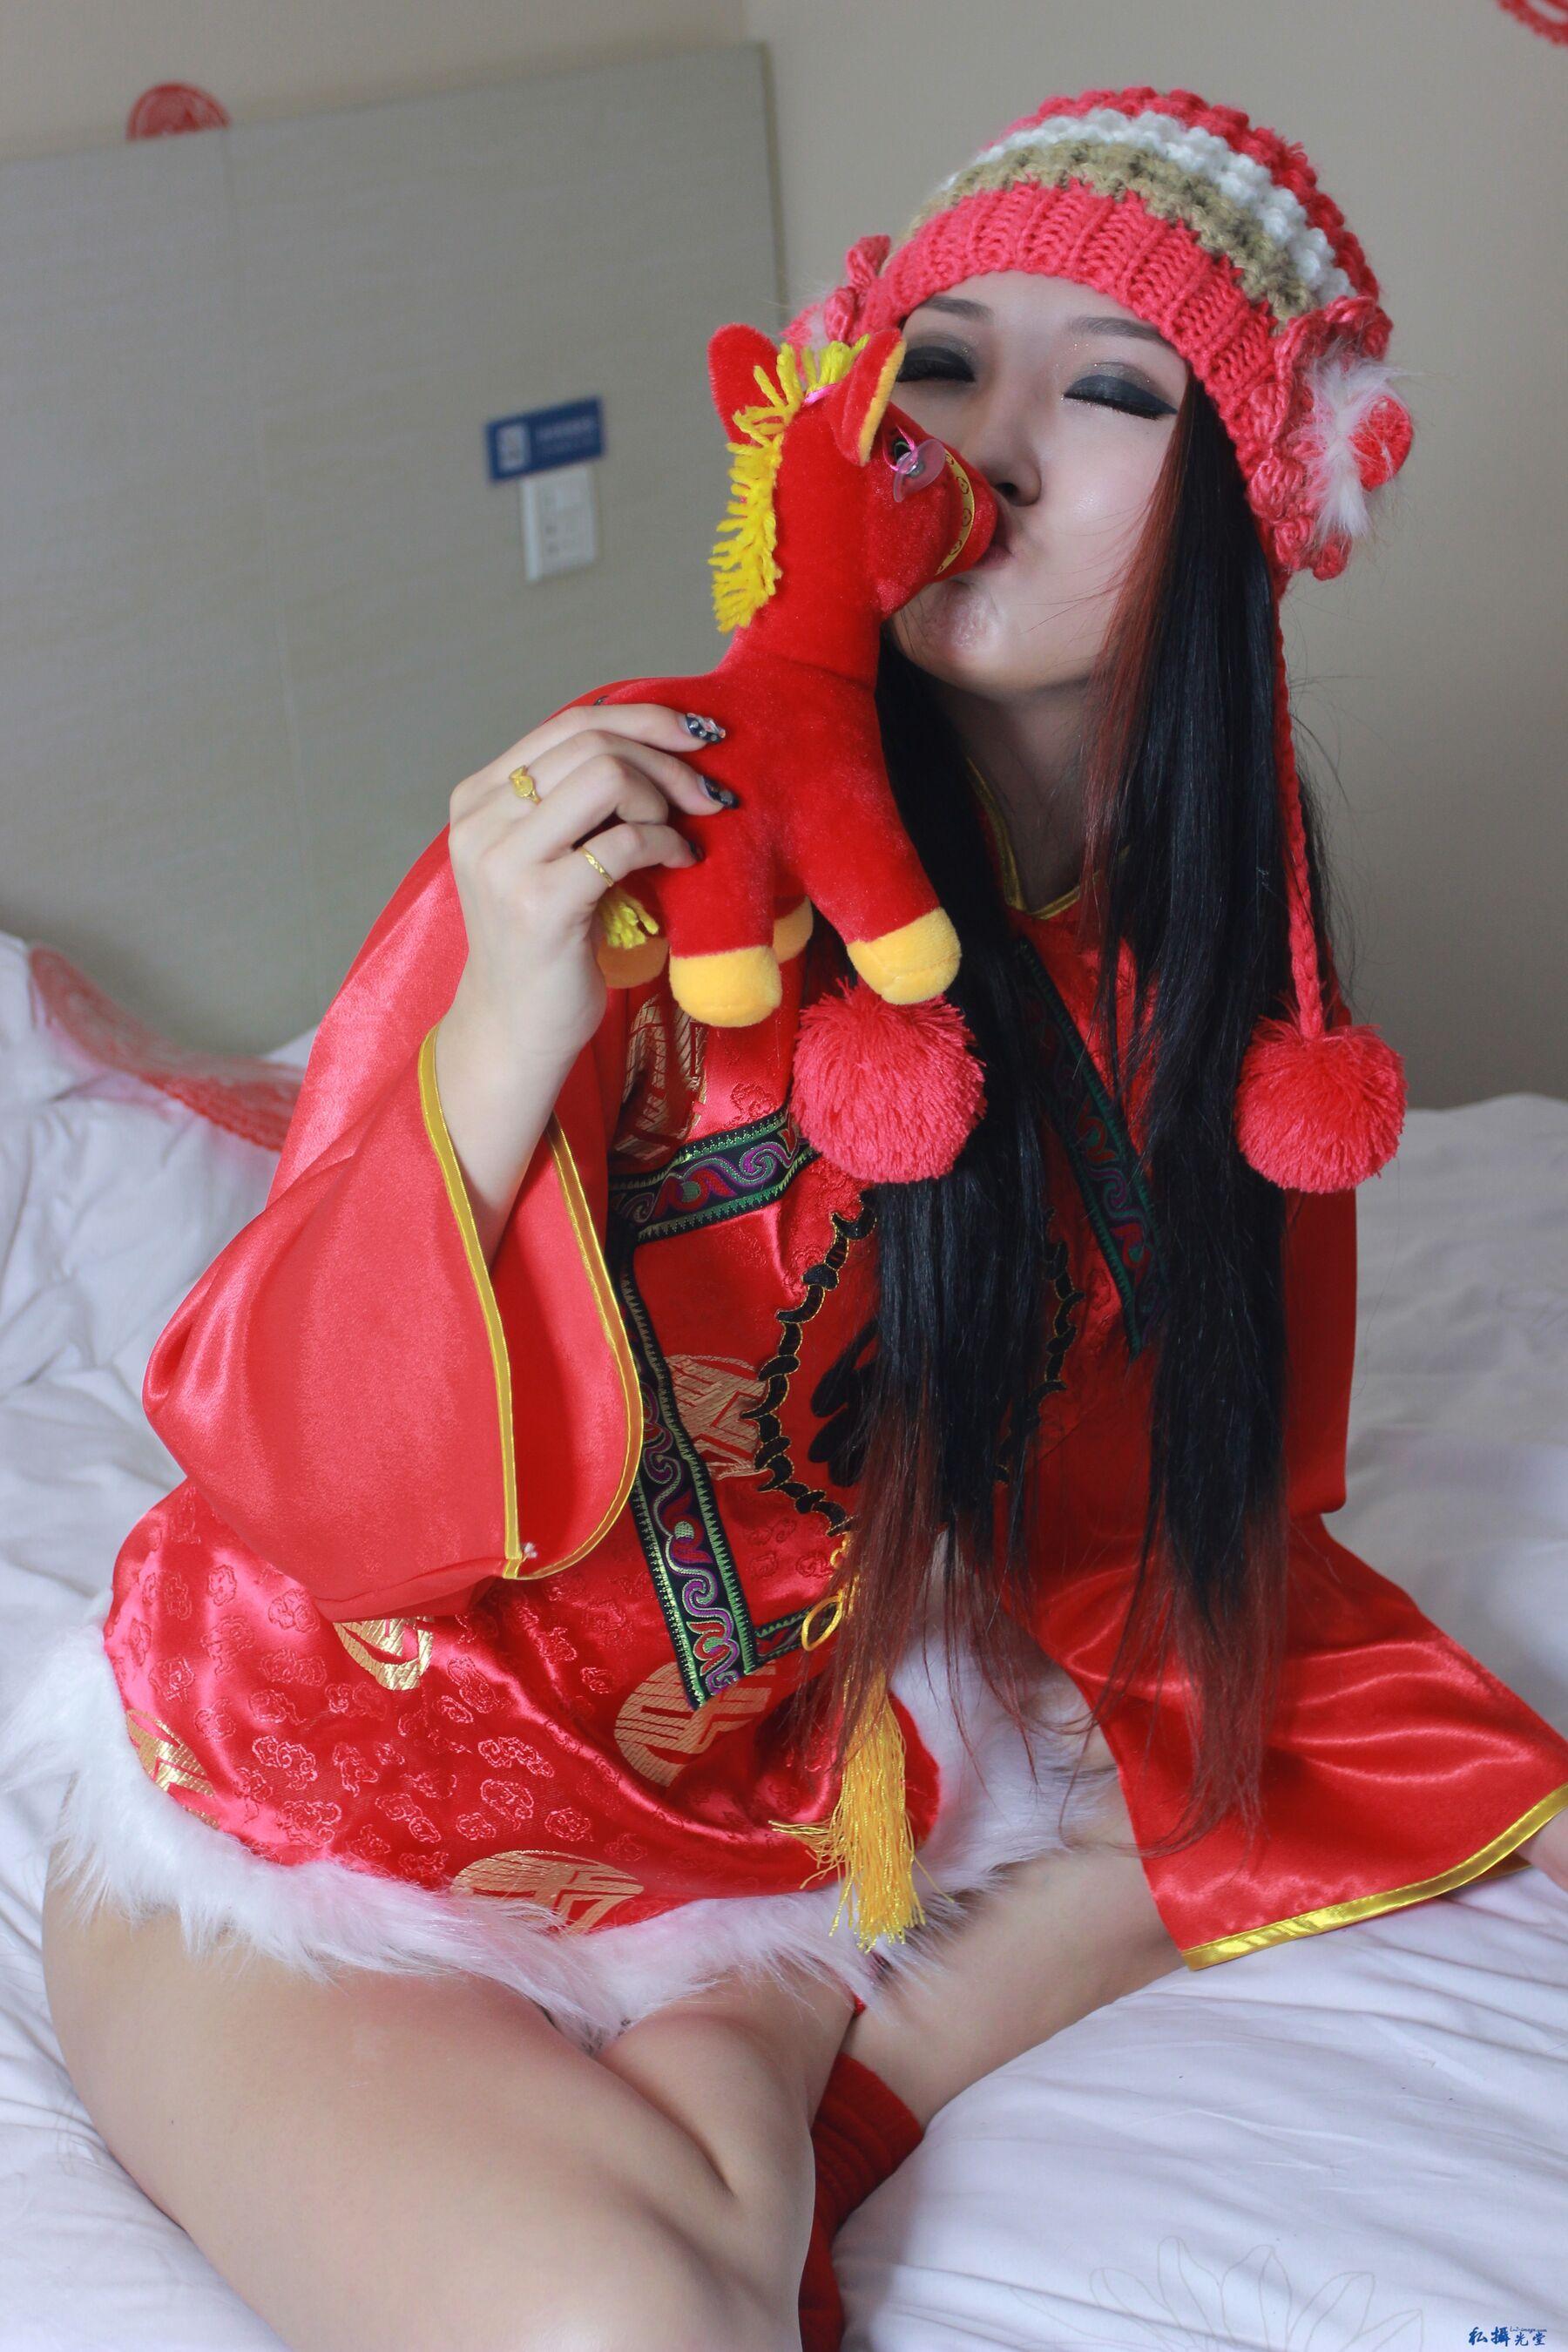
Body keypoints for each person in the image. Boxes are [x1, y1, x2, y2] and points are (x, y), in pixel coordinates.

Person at [8, 80, 1568, 2352]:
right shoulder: (656, 832)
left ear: (1250, 492)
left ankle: (800, 2048)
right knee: (643, 2321)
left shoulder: (1212, 980)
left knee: (1234, 1804)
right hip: (331, 1794)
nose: (989, 442)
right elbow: (304, 1471)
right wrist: (502, 1025)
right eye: (943, 365)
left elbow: (1155, 1513)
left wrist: (1428, 1765)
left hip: (768, 1813)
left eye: (1110, 389)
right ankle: (812, 2066)